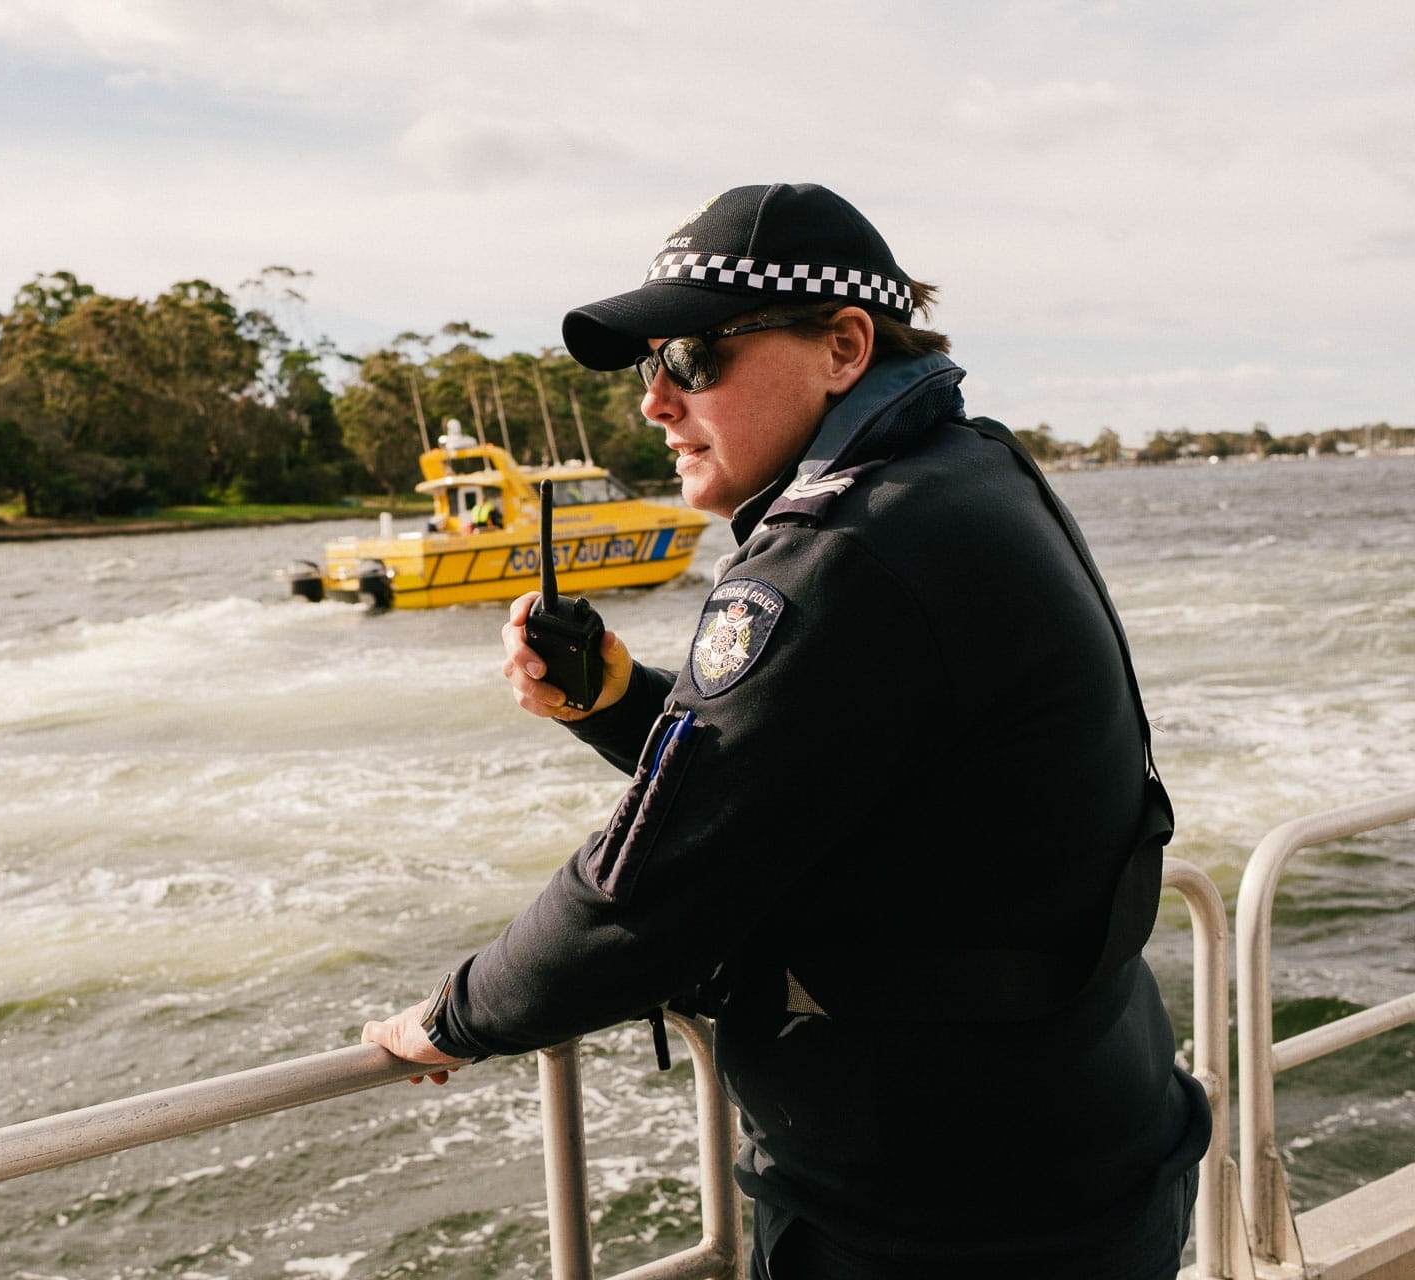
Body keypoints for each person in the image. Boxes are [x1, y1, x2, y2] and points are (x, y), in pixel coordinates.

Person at [362, 183, 1209, 1278]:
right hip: (1081, 1145)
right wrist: (622, 704)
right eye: (648, 366)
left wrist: (451, 1016)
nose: (655, 403)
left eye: (694, 359)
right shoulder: (968, 473)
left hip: (942, 1217)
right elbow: (827, 766)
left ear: (843, 346)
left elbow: (646, 891)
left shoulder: (842, 550)